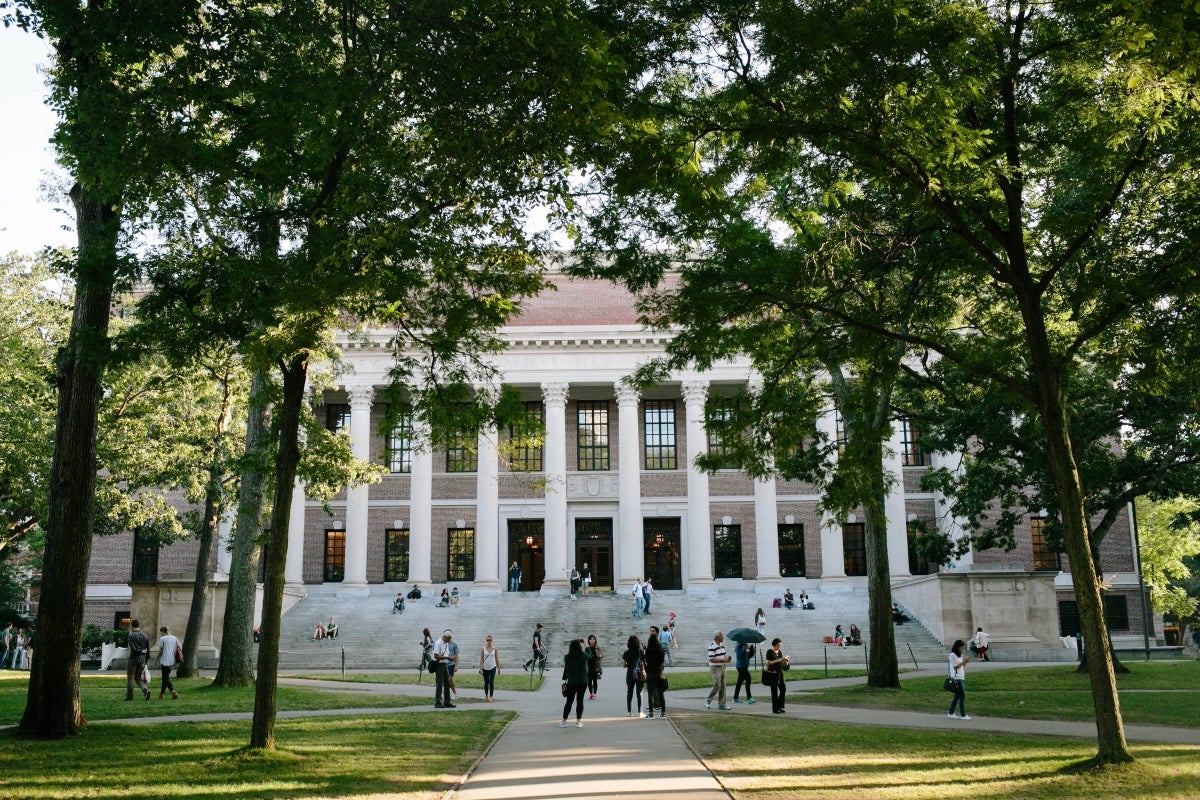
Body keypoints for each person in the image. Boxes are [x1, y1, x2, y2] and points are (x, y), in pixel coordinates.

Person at [560, 638, 593, 727]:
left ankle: (564, 721)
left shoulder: (567, 657)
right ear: (579, 647)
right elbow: (591, 655)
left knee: (569, 702)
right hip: (583, 682)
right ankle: (578, 721)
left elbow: (566, 669)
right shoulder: (583, 655)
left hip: (571, 682)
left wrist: (564, 678)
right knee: (580, 701)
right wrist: (585, 643)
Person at [704, 631, 732, 710]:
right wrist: (723, 660)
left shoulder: (722, 645)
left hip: (722, 667)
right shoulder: (712, 646)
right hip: (715, 668)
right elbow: (712, 659)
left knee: (723, 686)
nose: (723, 637)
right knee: (717, 685)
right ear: (717, 637)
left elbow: (724, 655)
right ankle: (707, 700)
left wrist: (727, 660)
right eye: (721, 636)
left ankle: (722, 704)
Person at [643, 627, 666, 719]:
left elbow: (646, 659)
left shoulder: (649, 649)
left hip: (651, 672)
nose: (651, 632)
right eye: (650, 631)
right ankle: (663, 713)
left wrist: (645, 651)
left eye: (652, 631)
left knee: (650, 693)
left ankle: (651, 714)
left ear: (657, 632)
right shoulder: (660, 646)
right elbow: (661, 659)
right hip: (658, 671)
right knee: (660, 693)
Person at [125, 619, 152, 701]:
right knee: (138, 677)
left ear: (132, 626)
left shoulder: (131, 636)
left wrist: (141, 651)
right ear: (139, 625)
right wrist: (147, 659)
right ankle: (145, 689)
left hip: (133, 659)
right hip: (142, 660)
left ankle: (129, 697)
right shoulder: (145, 635)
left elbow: (133, 649)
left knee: (131, 677)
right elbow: (148, 649)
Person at [432, 629, 459, 708]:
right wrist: (447, 657)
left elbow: (447, 654)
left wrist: (450, 658)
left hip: (445, 665)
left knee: (447, 683)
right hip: (439, 665)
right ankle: (437, 703)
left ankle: (447, 702)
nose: (449, 641)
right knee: (439, 684)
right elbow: (435, 656)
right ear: (445, 637)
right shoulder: (438, 643)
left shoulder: (446, 643)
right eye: (448, 639)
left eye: (450, 639)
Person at [621, 634, 645, 717]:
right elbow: (643, 663)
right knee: (639, 692)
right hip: (639, 674)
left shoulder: (626, 653)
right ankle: (640, 712)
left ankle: (630, 711)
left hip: (630, 674)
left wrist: (628, 664)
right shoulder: (640, 652)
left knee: (630, 692)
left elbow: (624, 666)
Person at [947, 639, 971, 720]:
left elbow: (961, 667)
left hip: (961, 677)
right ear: (957, 647)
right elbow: (955, 667)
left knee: (957, 696)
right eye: (961, 647)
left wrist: (965, 662)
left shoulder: (959, 655)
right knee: (962, 696)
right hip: (956, 678)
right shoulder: (952, 655)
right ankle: (963, 715)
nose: (962, 649)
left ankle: (951, 713)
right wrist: (963, 661)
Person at [155, 625, 181, 700]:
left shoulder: (162, 639)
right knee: (165, 677)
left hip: (165, 660)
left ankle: (173, 692)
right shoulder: (174, 638)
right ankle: (161, 694)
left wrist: (156, 659)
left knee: (166, 678)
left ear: (163, 631)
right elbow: (180, 647)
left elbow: (160, 650)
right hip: (172, 660)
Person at [764, 637, 789, 713]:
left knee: (783, 689)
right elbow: (768, 662)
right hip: (773, 673)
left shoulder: (780, 652)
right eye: (778, 645)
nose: (779, 646)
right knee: (774, 691)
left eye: (780, 645)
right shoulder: (769, 652)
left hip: (780, 672)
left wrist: (785, 661)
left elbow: (781, 662)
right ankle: (775, 709)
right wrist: (778, 660)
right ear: (774, 645)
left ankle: (780, 706)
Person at [478, 634, 501, 703]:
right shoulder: (483, 649)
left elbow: (496, 658)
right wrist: (481, 668)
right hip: (485, 667)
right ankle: (486, 695)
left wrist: (498, 667)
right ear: (486, 640)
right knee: (486, 682)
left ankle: (491, 696)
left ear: (492, 640)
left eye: (490, 640)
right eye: (487, 640)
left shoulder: (495, 649)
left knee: (491, 682)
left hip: (492, 667)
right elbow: (481, 659)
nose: (489, 641)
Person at [732, 639, 756, 704]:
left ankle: (735, 698)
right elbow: (739, 656)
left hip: (745, 666)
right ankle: (749, 698)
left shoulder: (746, 645)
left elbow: (747, 657)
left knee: (739, 682)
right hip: (740, 666)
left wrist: (753, 652)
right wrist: (743, 649)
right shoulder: (738, 645)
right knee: (748, 679)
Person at [585, 634, 603, 700]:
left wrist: (599, 655)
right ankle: (591, 694)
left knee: (595, 681)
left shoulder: (597, 647)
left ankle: (594, 694)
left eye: (593, 639)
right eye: (591, 639)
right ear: (589, 640)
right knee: (589, 682)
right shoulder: (587, 649)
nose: (592, 641)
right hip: (588, 667)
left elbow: (601, 655)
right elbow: (585, 657)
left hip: (596, 667)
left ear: (595, 640)